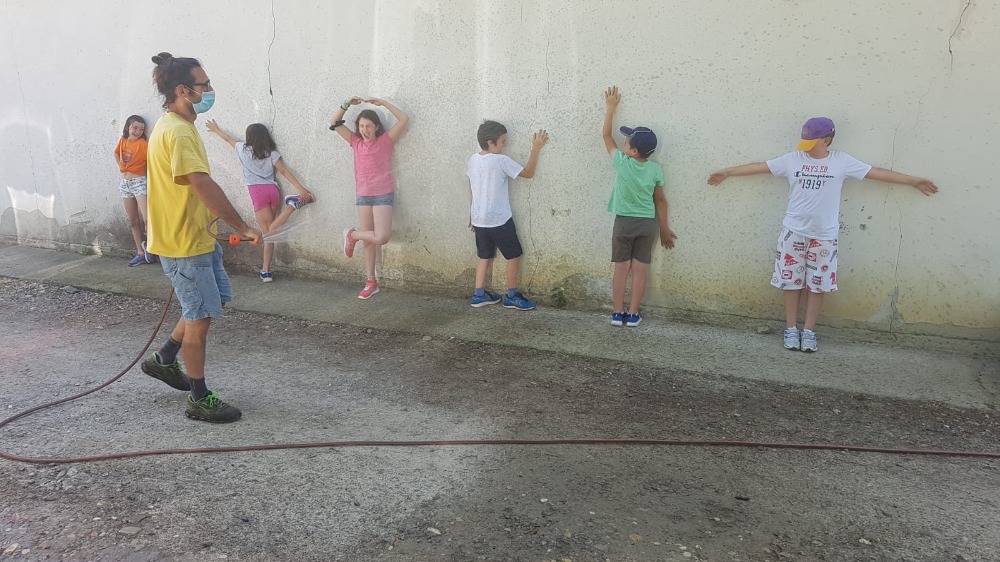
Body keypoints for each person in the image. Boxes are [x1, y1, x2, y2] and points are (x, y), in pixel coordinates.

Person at [707, 116, 938, 352]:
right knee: (791, 282)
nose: (806, 147)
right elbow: (760, 167)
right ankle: (790, 328)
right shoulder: (793, 159)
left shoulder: (841, 162)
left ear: (826, 140)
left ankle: (809, 331)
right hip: (793, 232)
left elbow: (876, 172)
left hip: (824, 235)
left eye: (812, 142)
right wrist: (728, 172)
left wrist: (913, 181)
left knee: (817, 284)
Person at [139, 52, 262, 423]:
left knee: (211, 302)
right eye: (204, 85)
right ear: (182, 90)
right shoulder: (177, 131)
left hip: (194, 238)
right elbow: (202, 184)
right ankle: (199, 398)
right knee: (200, 317)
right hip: (183, 244)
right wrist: (241, 226)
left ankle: (164, 358)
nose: (209, 90)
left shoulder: (177, 124)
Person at [601, 86, 677, 327]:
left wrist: (610, 109)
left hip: (623, 223)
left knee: (621, 268)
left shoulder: (622, 163)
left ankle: (617, 313)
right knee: (640, 269)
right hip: (647, 224)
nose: (623, 142)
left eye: (627, 141)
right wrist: (664, 228)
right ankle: (633, 314)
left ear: (632, 151)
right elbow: (660, 200)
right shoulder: (655, 169)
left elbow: (606, 136)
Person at [205, 120, 314, 282]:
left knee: (268, 233)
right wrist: (301, 188)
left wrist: (215, 129)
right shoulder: (271, 153)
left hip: (258, 193)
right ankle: (265, 271)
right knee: (270, 233)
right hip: (273, 191)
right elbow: (283, 171)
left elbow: (228, 139)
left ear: (249, 137)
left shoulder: (242, 149)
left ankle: (291, 206)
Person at [329, 96, 409, 299]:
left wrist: (384, 103)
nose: (365, 130)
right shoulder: (355, 142)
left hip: (383, 195)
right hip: (363, 196)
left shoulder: (385, 141)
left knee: (381, 237)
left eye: (369, 126)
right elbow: (334, 122)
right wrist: (346, 104)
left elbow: (404, 119)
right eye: (361, 126)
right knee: (369, 241)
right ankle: (371, 281)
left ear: (376, 127)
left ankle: (352, 235)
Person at [467, 120, 548, 310]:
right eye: (503, 141)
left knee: (484, 256)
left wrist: (471, 213)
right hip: (499, 219)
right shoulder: (501, 160)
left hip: (479, 219)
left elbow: (470, 186)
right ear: (491, 142)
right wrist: (536, 148)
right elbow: (528, 173)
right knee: (514, 255)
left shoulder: (473, 159)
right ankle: (512, 295)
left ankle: (479, 294)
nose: (505, 145)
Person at [114, 115, 155, 266]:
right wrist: (121, 168)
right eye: (135, 128)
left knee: (147, 219)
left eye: (141, 129)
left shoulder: (143, 144)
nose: (138, 131)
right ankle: (140, 252)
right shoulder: (123, 140)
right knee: (133, 220)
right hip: (125, 183)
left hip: (139, 182)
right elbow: (116, 153)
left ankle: (150, 248)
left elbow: (152, 161)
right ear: (128, 127)